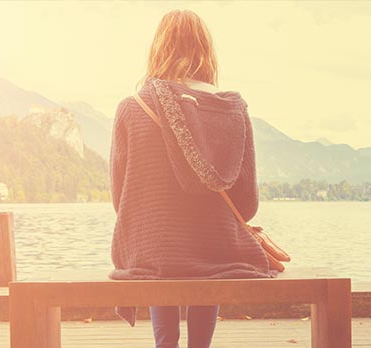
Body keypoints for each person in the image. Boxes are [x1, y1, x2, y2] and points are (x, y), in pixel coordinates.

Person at [108, 9, 276, 348]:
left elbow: (119, 196)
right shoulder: (232, 109)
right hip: (216, 252)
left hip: (153, 252)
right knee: (208, 247)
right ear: (207, 51)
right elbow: (247, 205)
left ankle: (164, 344)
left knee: (160, 240)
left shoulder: (132, 107)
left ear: (158, 48)